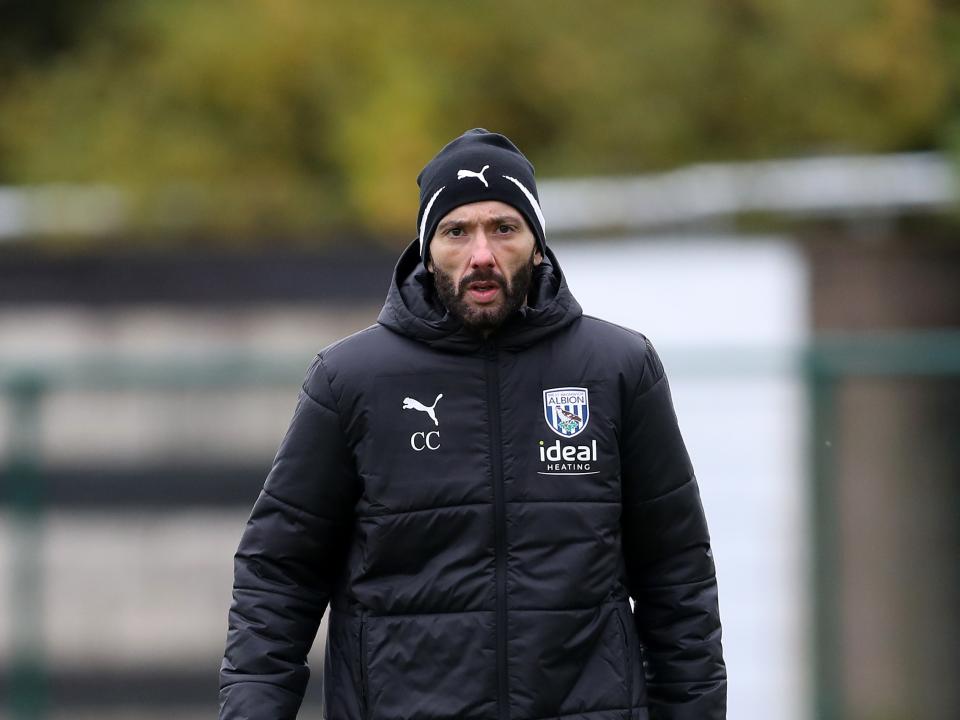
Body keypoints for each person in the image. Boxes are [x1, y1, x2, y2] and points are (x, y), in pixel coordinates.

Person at [219, 128, 726, 720]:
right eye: (457, 231)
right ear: (426, 249)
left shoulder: (618, 370)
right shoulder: (349, 380)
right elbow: (279, 577)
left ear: (537, 245)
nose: (481, 254)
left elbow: (677, 575)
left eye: (503, 228)